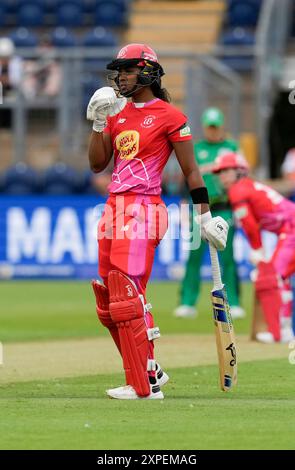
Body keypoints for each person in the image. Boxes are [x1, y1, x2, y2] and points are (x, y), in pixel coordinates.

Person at [87, 43, 229, 400]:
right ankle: (149, 370)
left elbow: (191, 170)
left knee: (126, 292)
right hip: (113, 207)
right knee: (109, 299)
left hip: (144, 207)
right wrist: (99, 123)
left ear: (148, 72)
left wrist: (205, 216)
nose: (121, 77)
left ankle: (144, 387)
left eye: (128, 70)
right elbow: (96, 164)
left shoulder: (170, 116)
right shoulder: (117, 114)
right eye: (119, 71)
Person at [212, 151, 295, 343]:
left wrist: (257, 249)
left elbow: (248, 223)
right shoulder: (245, 186)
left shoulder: (237, 190)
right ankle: (284, 329)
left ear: (239, 171)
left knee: (274, 277)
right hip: (288, 228)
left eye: (226, 170)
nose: (222, 176)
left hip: (291, 229)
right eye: (219, 172)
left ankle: (281, 331)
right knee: (279, 278)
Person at [174, 107, 244, 319]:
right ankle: (187, 302)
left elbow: (242, 177)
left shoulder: (231, 147)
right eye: (209, 127)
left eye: (216, 126)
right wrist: (184, 206)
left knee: (228, 257)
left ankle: (234, 301)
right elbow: (185, 179)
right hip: (200, 209)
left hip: (224, 208)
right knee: (194, 256)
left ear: (221, 126)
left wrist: (240, 206)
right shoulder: (196, 148)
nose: (213, 131)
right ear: (205, 127)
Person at [0, 37, 22, 128]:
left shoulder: (16, 61)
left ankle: (13, 126)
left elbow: (16, 80)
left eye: (6, 56)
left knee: (13, 97)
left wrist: (6, 80)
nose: (4, 59)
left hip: (14, 90)